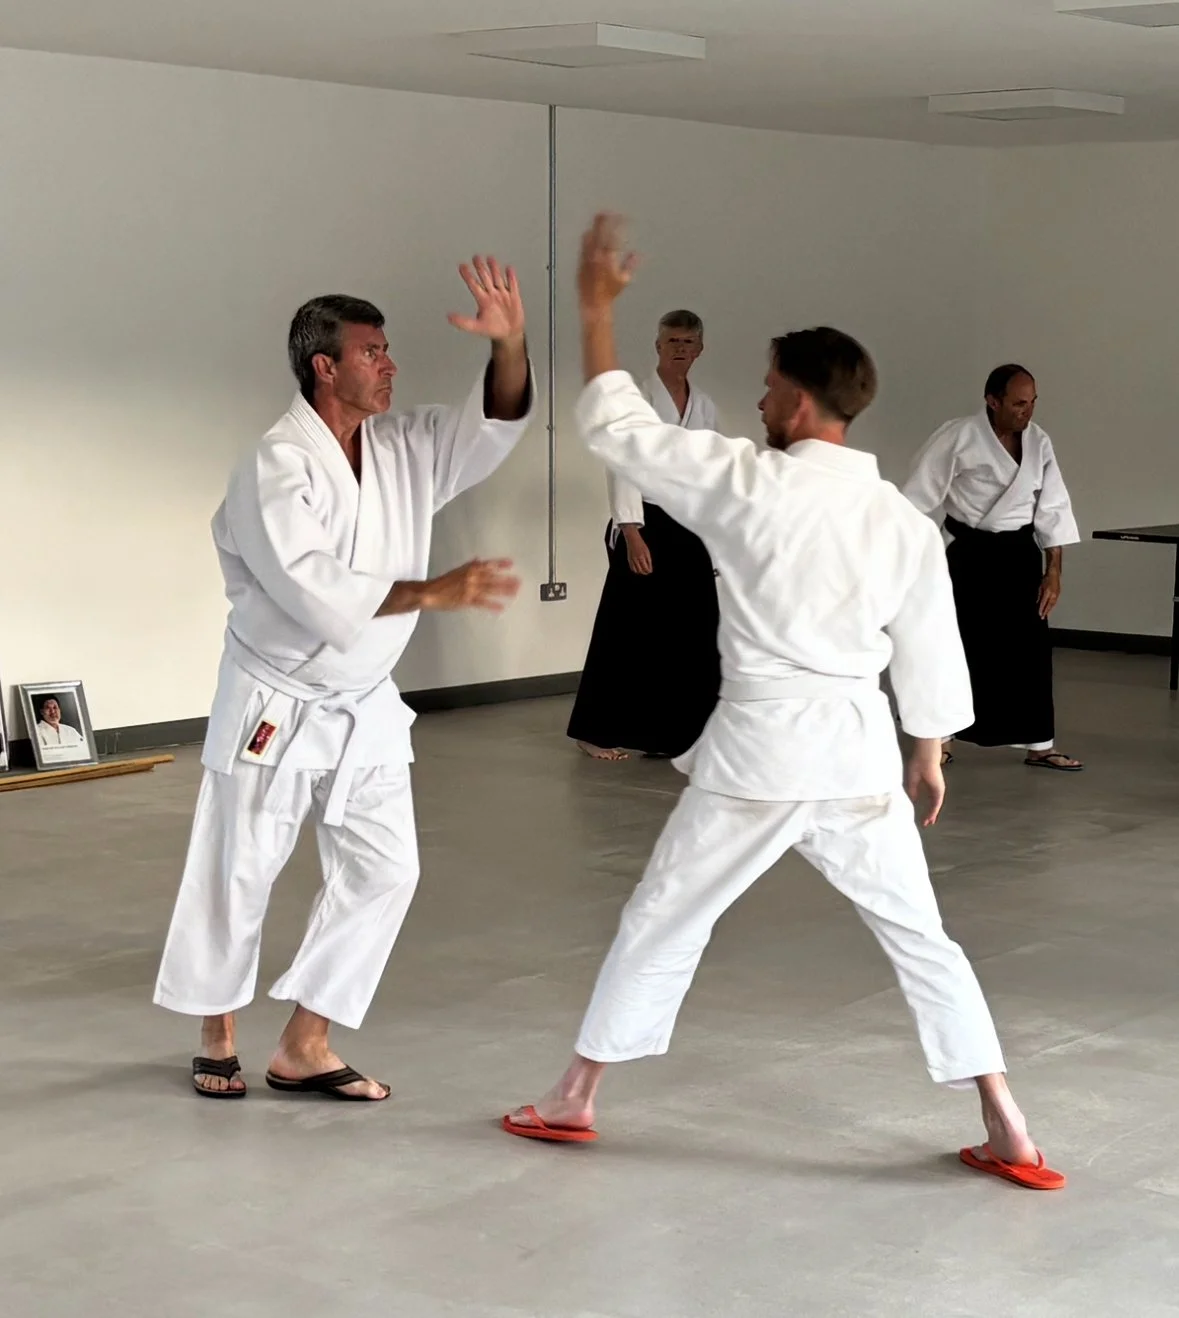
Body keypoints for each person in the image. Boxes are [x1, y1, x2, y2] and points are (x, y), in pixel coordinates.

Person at [502, 215, 1064, 1193]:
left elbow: (616, 430)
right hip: (855, 758)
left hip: (758, 756)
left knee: (663, 915)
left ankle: (576, 1095)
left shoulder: (748, 483)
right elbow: (929, 645)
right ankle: (1005, 1116)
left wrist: (595, 311)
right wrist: (927, 749)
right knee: (921, 937)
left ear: (799, 404)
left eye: (765, 387)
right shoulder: (896, 518)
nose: (757, 400)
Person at [155, 259, 533, 1101]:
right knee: (239, 868)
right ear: (325, 366)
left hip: (362, 703)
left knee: (387, 870)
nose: (390, 364)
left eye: (388, 349)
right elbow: (308, 582)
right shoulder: (274, 463)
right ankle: (217, 1028)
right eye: (373, 352)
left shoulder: (405, 444)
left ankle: (305, 1041)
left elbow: (495, 422)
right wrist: (433, 592)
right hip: (277, 696)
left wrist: (509, 342)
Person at [904, 367, 1082, 772]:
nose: (1028, 411)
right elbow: (917, 495)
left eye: (1033, 401)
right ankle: (942, 740)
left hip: (1019, 554)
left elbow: (1053, 507)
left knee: (1029, 651)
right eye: (1019, 403)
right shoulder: (958, 436)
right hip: (967, 551)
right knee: (955, 646)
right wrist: (910, 558)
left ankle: (1040, 745)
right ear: (992, 400)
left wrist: (1054, 571)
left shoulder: (1038, 442)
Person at [567, 310, 721, 761]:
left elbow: (710, 471)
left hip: (689, 522)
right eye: (672, 340)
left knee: (694, 629)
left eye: (688, 342)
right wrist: (632, 531)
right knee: (627, 627)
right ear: (658, 346)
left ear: (699, 349)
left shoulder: (704, 405)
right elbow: (622, 463)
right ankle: (594, 730)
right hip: (644, 521)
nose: (680, 349)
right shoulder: (635, 398)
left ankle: (680, 735)